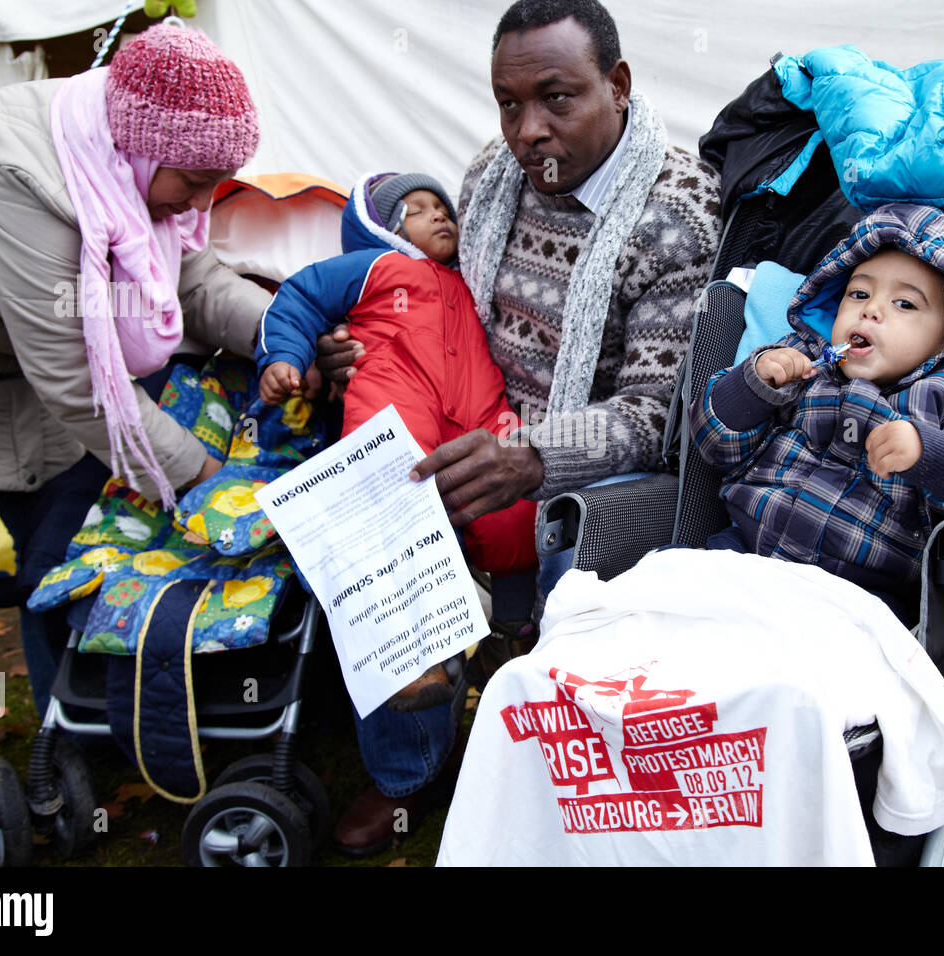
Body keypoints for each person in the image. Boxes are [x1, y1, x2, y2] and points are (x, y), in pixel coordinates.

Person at [316, 0, 721, 856]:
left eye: (556, 98)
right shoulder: (490, 179)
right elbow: (443, 310)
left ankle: (561, 774)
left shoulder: (675, 213)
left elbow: (657, 417)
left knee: (575, 526)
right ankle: (408, 767)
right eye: (508, 103)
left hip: (590, 464)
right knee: (373, 466)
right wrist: (369, 352)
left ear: (618, 86)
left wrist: (534, 455)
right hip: (481, 414)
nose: (527, 129)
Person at [0, 23, 270, 865]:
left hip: (18, 356)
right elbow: (77, 381)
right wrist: (205, 476)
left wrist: (288, 335)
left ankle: (79, 732)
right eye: (196, 181)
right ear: (145, 150)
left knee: (67, 544)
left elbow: (194, 279)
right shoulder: (21, 179)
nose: (200, 202)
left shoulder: (130, 167)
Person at [690, 203, 944, 624]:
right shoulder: (802, 356)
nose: (871, 310)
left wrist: (936, 453)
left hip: (863, 604)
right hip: (742, 558)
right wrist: (753, 385)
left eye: (904, 304)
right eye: (859, 294)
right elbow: (710, 442)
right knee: (660, 594)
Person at [256, 171, 538, 709]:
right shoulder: (374, 266)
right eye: (417, 209)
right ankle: (409, 659)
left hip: (476, 408)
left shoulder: (472, 279)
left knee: (514, 509)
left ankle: (511, 634)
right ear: (382, 228)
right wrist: (285, 357)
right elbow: (298, 297)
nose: (439, 215)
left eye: (442, 207)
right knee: (389, 496)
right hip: (397, 392)